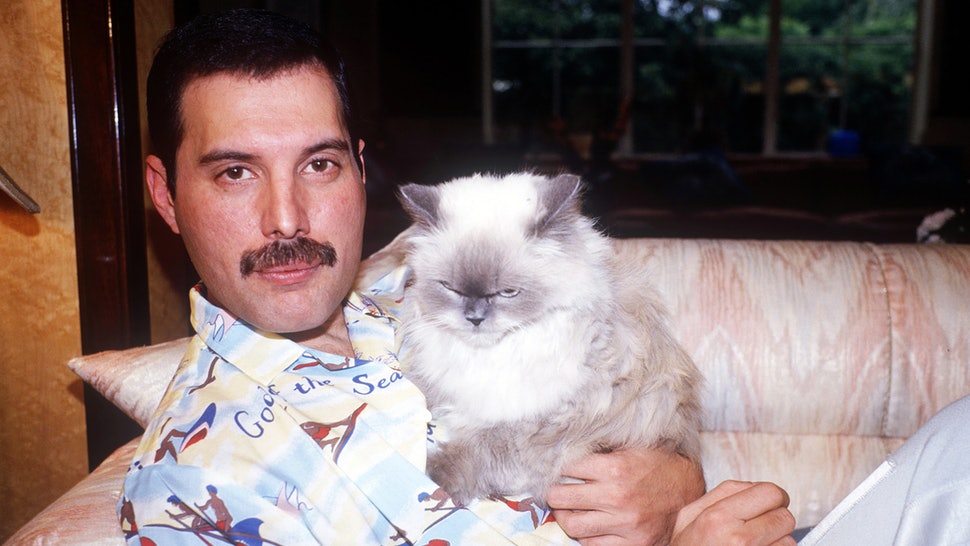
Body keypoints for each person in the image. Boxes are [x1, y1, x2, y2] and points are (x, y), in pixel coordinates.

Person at [120, 8, 795, 545]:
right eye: (235, 172)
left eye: (319, 165)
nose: (287, 219)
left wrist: (674, 481)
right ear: (166, 195)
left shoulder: (413, 280)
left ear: (360, 171)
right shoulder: (191, 486)